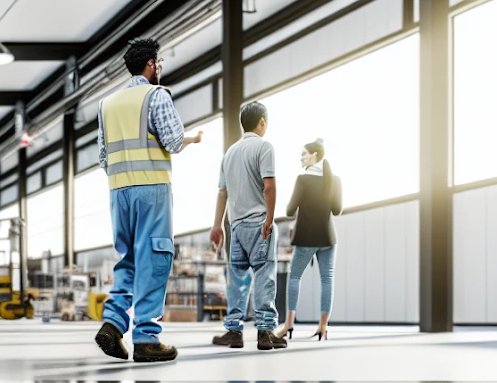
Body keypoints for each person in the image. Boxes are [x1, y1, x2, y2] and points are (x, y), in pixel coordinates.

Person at [93, 37, 204, 364]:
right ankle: (146, 337)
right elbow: (171, 141)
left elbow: (103, 157)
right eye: (160, 64)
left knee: (127, 258)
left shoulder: (107, 104)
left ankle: (113, 323)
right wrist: (193, 139)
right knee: (155, 257)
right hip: (151, 188)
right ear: (151, 65)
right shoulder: (156, 96)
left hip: (118, 192)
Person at [210, 101, 286, 350]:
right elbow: (270, 186)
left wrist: (217, 225)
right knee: (265, 276)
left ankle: (234, 330)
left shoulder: (229, 153)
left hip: (236, 227)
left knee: (237, 279)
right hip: (258, 224)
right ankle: (265, 331)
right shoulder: (264, 147)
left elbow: (222, 193)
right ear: (262, 122)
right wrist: (269, 219)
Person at [282, 138, 342, 341]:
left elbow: (290, 210)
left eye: (304, 154)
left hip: (306, 237)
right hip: (328, 237)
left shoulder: (303, 179)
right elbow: (337, 210)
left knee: (295, 277)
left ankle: (289, 324)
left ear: (314, 156)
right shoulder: (334, 179)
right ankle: (323, 326)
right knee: (327, 280)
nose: (301, 158)